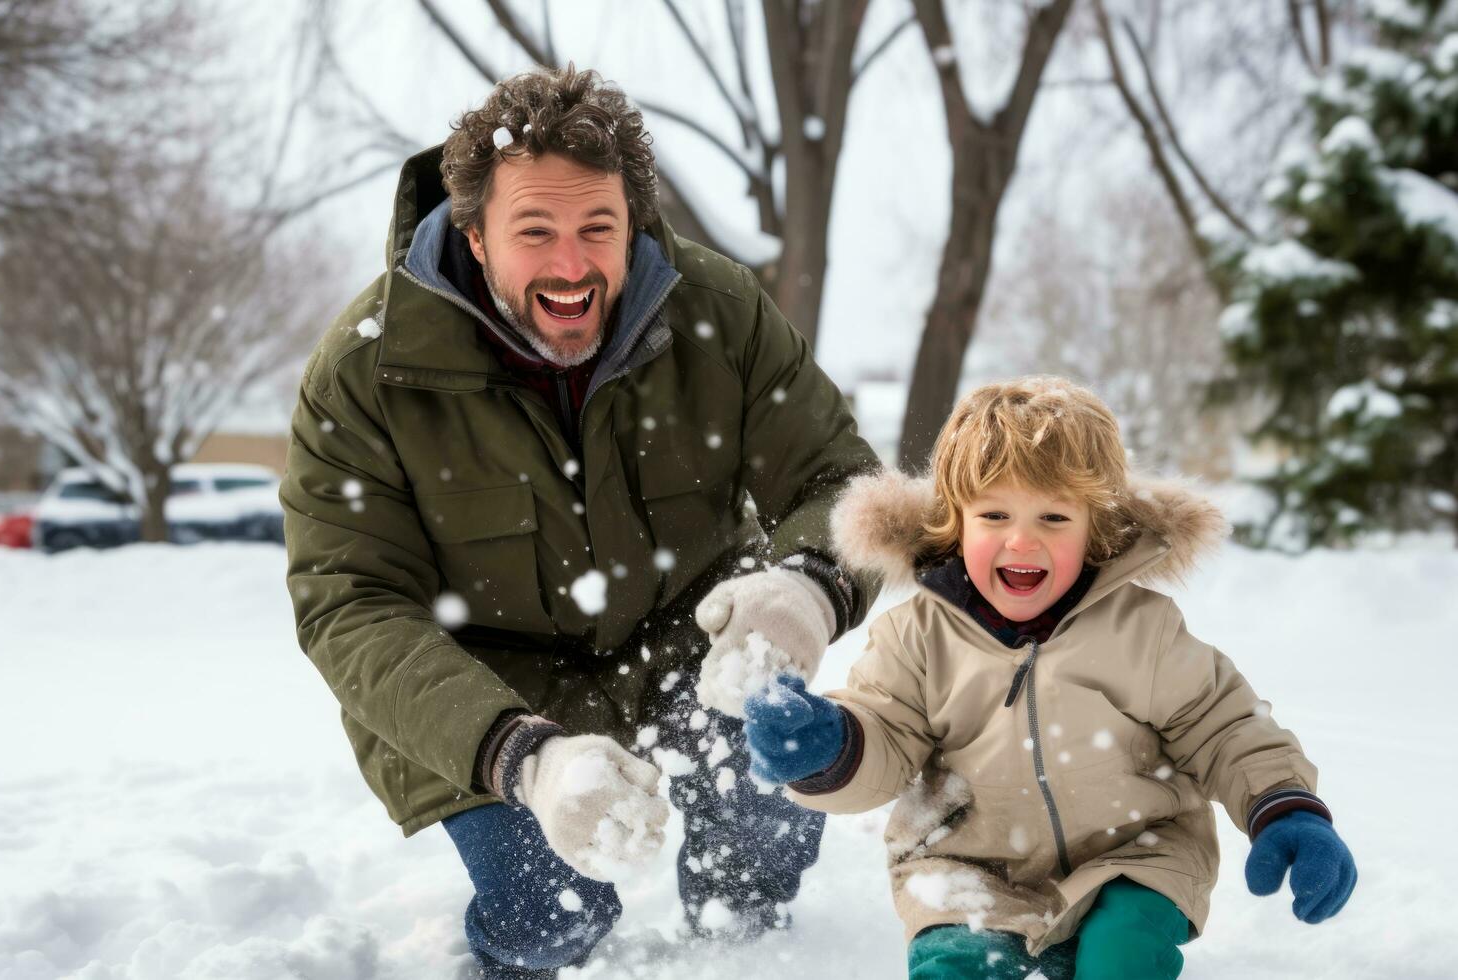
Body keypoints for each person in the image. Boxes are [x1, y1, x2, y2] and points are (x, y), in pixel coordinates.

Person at [280, 65, 879, 978]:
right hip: (487, 685)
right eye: (535, 231)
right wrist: (519, 756)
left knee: (765, 802)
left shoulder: (718, 314)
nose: (571, 264)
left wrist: (809, 588)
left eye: (598, 227)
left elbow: (843, 482)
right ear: (475, 236)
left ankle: (748, 957)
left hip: (692, 645)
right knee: (551, 912)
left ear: (631, 223)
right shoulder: (365, 375)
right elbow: (351, 605)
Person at [742, 377, 1357, 979]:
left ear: (1098, 527)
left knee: (1123, 954)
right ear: (957, 523)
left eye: (1055, 517)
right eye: (995, 514)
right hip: (969, 866)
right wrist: (829, 748)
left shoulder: (1142, 630)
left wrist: (1284, 808)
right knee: (954, 968)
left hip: (1133, 857)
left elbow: (1222, 726)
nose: (1021, 539)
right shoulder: (917, 637)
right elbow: (886, 734)